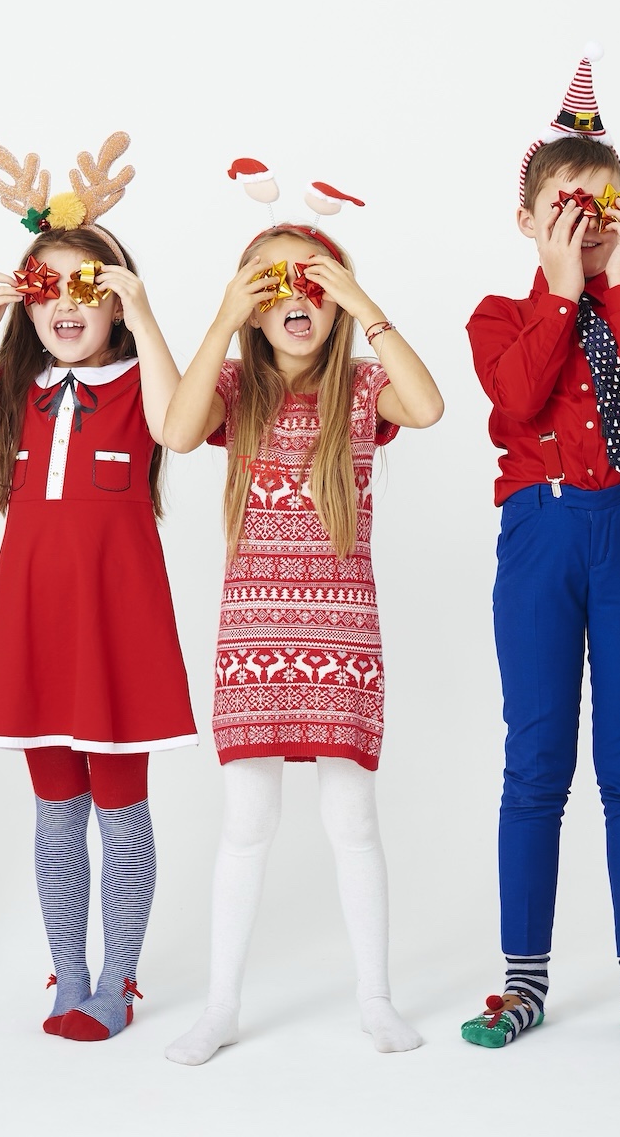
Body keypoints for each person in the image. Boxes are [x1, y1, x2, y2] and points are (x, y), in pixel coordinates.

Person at [160, 168, 445, 1066]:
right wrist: (220, 315)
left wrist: (359, 295)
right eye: (273, 282)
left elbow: (430, 406)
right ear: (251, 307)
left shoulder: (361, 390)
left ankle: (376, 998)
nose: (297, 297)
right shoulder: (235, 388)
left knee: (352, 821)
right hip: (252, 639)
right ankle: (221, 1007)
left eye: (311, 284)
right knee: (246, 823)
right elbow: (173, 429)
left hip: (341, 638)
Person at [0, 132, 191, 1041]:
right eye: (46, 289)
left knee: (121, 805)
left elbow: (178, 429)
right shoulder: (13, 392)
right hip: (34, 625)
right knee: (55, 808)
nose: (66, 306)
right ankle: (68, 973)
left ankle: (120, 978)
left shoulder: (140, 384)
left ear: (113, 301)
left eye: (89, 289)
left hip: (120, 628)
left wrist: (145, 318)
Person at [461, 46, 620, 1050]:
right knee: (534, 761)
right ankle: (522, 981)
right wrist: (562, 290)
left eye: (603, 204)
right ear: (526, 220)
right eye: (563, 204)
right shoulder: (499, 315)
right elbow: (515, 396)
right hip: (541, 532)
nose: (585, 221)